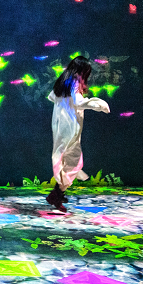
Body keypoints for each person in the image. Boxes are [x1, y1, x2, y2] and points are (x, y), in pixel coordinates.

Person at [46, 56, 110, 212]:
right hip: (69, 127)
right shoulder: (74, 82)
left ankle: (58, 193)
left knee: (66, 158)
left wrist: (65, 105)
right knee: (74, 161)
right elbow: (78, 102)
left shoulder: (63, 81)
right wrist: (97, 104)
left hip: (61, 126)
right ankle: (57, 194)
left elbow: (52, 96)